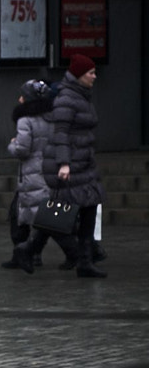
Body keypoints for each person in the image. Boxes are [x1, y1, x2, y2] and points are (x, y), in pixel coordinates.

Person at [44, 55, 106, 279]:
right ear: (80, 75)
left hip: (84, 163)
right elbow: (61, 133)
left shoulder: (81, 96)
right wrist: (64, 163)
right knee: (62, 211)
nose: (94, 76)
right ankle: (30, 249)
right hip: (72, 165)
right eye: (91, 73)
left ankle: (85, 262)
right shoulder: (67, 98)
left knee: (88, 210)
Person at [4, 79, 57, 274]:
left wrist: (12, 143)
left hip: (31, 175)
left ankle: (26, 253)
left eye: (22, 96)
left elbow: (22, 149)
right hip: (47, 171)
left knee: (22, 216)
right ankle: (31, 253)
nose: (19, 99)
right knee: (39, 216)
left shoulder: (25, 120)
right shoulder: (51, 118)